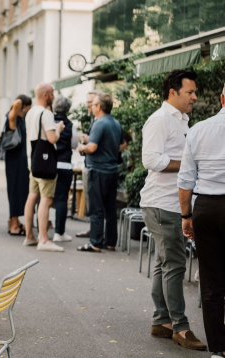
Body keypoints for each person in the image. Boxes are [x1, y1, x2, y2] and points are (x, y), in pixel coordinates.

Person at [139, 69, 206, 351]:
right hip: (161, 204)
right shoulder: (160, 119)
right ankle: (180, 327)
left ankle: (162, 321)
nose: (194, 96)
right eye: (189, 92)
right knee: (175, 266)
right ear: (173, 92)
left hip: (166, 203)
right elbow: (150, 159)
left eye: (194, 92)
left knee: (163, 264)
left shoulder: (181, 119)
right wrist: (188, 163)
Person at [177, 83, 225, 356]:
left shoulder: (198, 130)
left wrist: (186, 216)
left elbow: (185, 181)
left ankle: (218, 348)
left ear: (221, 99)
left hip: (205, 207)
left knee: (211, 280)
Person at [76, 92, 122, 253]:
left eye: (93, 104)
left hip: (98, 170)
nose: (91, 106)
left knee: (96, 208)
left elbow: (92, 148)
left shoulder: (99, 123)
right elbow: (120, 146)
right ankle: (110, 242)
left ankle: (95, 242)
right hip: (112, 170)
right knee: (110, 208)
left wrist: (81, 148)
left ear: (99, 107)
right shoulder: (115, 123)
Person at [23, 83, 65, 251]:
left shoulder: (30, 112)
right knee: (46, 200)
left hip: (32, 161)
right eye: (52, 94)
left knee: (32, 197)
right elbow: (52, 138)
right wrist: (59, 129)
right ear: (46, 95)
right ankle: (44, 239)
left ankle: (29, 236)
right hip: (46, 163)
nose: (54, 97)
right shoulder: (46, 114)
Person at [4, 95, 32, 236]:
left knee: (19, 189)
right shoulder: (13, 117)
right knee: (15, 189)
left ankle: (14, 221)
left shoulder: (20, 118)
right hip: (14, 160)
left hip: (18, 159)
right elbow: (16, 103)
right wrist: (20, 102)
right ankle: (14, 224)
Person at [52, 96, 78, 242]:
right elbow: (74, 145)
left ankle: (41, 230)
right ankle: (59, 233)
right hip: (65, 165)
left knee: (44, 199)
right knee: (62, 200)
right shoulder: (70, 125)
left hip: (49, 165)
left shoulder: (49, 121)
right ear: (68, 109)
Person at [75, 91, 99, 238]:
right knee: (91, 199)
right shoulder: (94, 119)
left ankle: (96, 234)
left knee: (94, 201)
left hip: (94, 167)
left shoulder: (100, 121)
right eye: (87, 102)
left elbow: (95, 145)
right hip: (90, 164)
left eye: (91, 102)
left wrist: (84, 145)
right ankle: (93, 230)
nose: (88, 105)